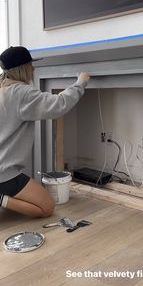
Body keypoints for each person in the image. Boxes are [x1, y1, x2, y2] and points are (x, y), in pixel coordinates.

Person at [0, 46, 90, 218]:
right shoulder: (20, 93)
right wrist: (81, 83)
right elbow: (59, 105)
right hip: (3, 175)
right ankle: (1, 198)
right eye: (30, 65)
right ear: (22, 68)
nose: (33, 69)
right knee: (47, 207)